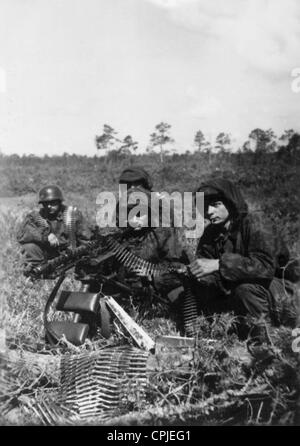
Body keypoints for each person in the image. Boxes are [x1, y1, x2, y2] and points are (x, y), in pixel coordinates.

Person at [185, 178, 296, 341]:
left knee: (245, 290)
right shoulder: (211, 234)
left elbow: (265, 267)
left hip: (278, 290)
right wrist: (195, 273)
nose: (209, 211)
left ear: (230, 203)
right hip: (244, 293)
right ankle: (224, 331)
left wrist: (219, 264)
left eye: (216, 205)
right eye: (205, 206)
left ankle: (264, 342)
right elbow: (208, 271)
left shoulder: (255, 222)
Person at [17, 185, 91, 274]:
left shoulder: (71, 214)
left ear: (59, 202)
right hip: (48, 253)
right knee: (29, 247)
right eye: (45, 203)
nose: (49, 206)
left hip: (70, 252)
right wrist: (46, 236)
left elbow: (85, 237)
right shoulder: (36, 216)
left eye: (53, 203)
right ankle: (39, 271)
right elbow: (22, 235)